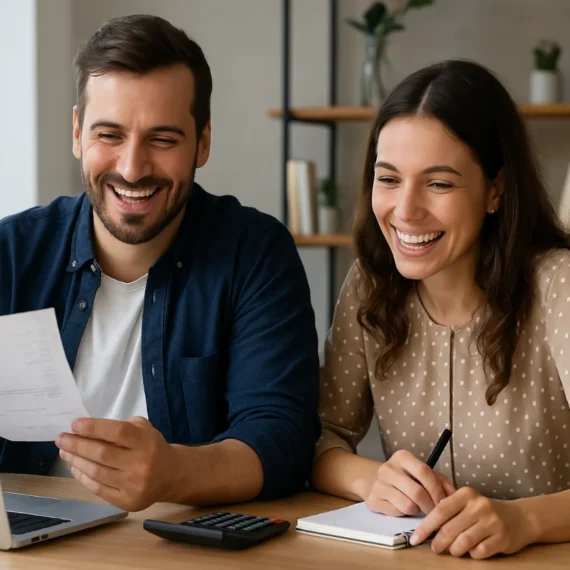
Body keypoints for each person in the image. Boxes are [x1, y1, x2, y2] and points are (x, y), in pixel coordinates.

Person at [0, 14, 320, 512]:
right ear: (77, 133)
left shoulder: (254, 253)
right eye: (109, 135)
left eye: (163, 139)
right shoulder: (12, 252)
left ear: (203, 141)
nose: (132, 168)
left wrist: (174, 473)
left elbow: (282, 436)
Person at [312, 59, 570, 560]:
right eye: (388, 179)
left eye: (439, 183)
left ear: (495, 189)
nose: (405, 211)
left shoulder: (558, 284)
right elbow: (320, 437)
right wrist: (371, 479)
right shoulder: (370, 282)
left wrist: (525, 519)